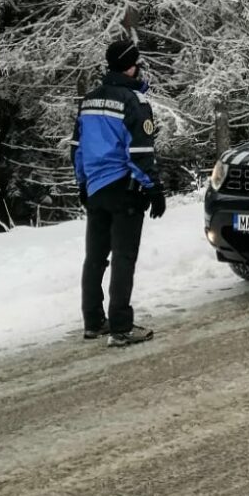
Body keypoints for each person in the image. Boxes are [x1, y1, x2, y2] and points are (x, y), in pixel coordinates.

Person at [72, 37, 167, 346]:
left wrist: (83, 183)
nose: (139, 70)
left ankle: (93, 321)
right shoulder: (133, 102)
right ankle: (121, 328)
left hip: (95, 189)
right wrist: (153, 189)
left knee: (95, 258)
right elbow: (140, 152)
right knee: (124, 257)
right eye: (137, 64)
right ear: (130, 67)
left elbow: (77, 149)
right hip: (124, 189)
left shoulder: (88, 101)